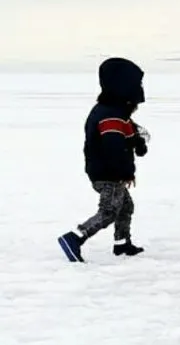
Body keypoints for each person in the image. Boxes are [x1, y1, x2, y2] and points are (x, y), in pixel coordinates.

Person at [58, 57, 149, 262]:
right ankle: (75, 238)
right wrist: (125, 173)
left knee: (125, 206)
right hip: (109, 173)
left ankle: (122, 244)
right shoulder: (110, 116)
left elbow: (129, 133)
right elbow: (114, 147)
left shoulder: (115, 113)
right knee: (109, 211)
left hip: (107, 171)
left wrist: (138, 143)